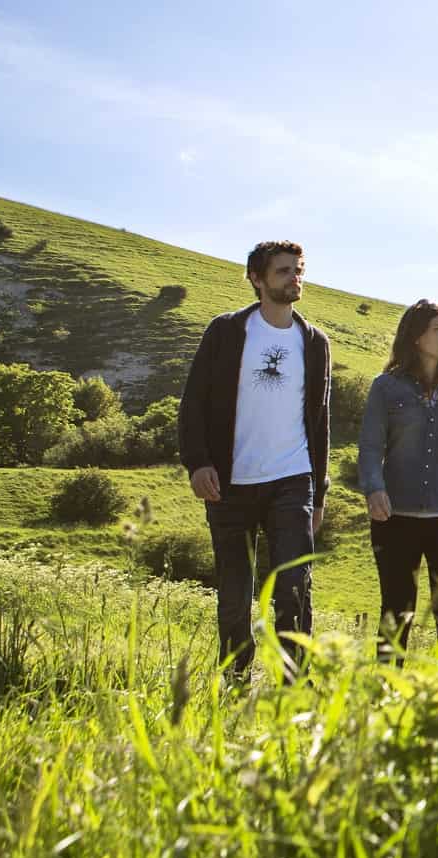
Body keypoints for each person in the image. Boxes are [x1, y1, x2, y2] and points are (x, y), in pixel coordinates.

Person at [177, 240, 332, 685]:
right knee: (234, 591)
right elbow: (194, 403)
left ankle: (294, 684)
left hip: (292, 479)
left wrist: (318, 492)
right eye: (284, 271)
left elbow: (320, 422)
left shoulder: (314, 342)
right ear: (257, 278)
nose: (294, 278)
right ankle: (235, 678)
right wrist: (198, 462)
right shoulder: (226, 332)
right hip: (230, 482)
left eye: (298, 270)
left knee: (294, 585)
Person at [358, 299, 438, 667]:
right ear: (416, 336)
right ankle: (386, 693)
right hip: (398, 515)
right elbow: (370, 445)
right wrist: (374, 488)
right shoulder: (385, 388)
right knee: (397, 608)